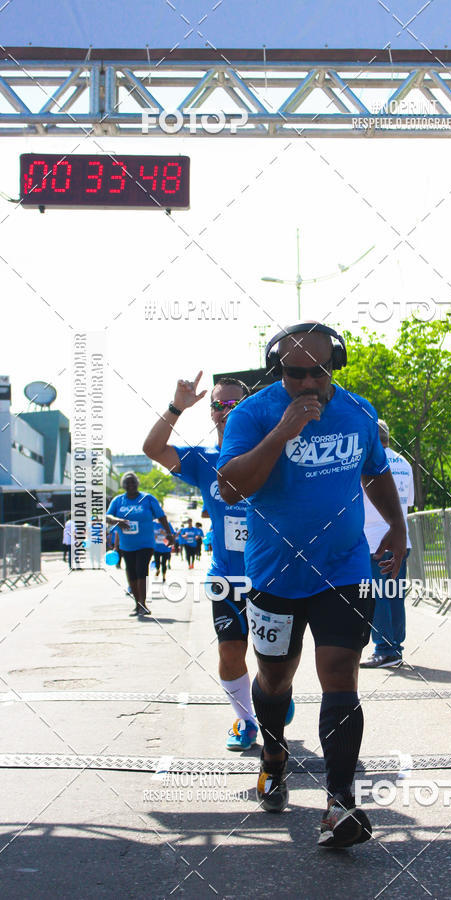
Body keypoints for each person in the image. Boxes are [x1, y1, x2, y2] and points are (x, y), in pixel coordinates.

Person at [217, 322, 406, 849]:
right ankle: (273, 756)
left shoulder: (359, 410)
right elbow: (231, 488)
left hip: (344, 569)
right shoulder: (253, 414)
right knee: (275, 681)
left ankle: (340, 803)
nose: (305, 383)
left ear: (335, 366)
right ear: (279, 370)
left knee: (340, 673)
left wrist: (396, 523)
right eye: (292, 373)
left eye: (316, 372)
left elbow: (374, 470)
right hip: (275, 574)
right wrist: (282, 433)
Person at [144, 374, 289, 752]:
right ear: (210, 412)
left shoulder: (271, 452)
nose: (225, 412)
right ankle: (245, 720)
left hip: (270, 576)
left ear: (247, 407)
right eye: (218, 405)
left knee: (272, 659)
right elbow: (153, 448)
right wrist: (177, 406)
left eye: (233, 404)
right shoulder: (203, 461)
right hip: (225, 577)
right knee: (230, 651)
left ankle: (274, 692)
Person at [360, 419, 414, 668]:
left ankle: (384, 649)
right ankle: (395, 647)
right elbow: (408, 503)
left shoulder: (370, 462)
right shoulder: (403, 463)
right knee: (394, 595)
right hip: (401, 539)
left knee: (378, 597)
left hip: (375, 540)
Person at [106, 472, 173, 616]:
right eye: (127, 483)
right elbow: (108, 516)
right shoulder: (118, 501)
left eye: (133, 482)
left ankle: (143, 604)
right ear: (123, 485)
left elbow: (161, 516)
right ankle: (137, 604)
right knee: (131, 572)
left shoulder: (147, 499)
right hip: (127, 544)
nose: (130, 485)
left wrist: (169, 533)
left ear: (137, 483)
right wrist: (118, 520)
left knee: (141, 569)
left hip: (145, 543)